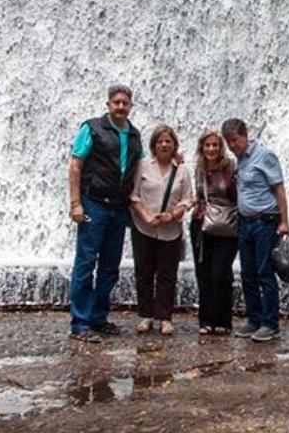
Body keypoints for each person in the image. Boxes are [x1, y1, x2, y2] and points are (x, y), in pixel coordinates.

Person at [68, 84, 142, 343]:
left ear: (131, 106)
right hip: (94, 204)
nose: (121, 106)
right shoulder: (91, 128)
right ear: (108, 105)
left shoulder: (134, 135)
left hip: (119, 208)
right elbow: (76, 164)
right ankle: (80, 323)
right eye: (116, 102)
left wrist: (174, 158)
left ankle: (99, 317)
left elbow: (143, 166)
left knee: (110, 267)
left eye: (125, 103)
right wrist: (76, 204)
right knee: (86, 263)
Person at [222, 118, 289, 343]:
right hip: (245, 223)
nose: (232, 145)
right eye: (229, 142)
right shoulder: (238, 161)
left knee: (264, 273)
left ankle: (270, 324)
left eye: (235, 140)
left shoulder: (265, 156)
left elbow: (279, 189)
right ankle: (254, 319)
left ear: (245, 135)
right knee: (248, 274)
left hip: (265, 223)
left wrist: (284, 222)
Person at [129, 124, 194, 336]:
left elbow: (188, 199)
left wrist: (173, 215)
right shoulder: (143, 165)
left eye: (168, 141)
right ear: (154, 145)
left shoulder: (183, 170)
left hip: (171, 229)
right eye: (160, 141)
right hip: (143, 227)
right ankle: (145, 316)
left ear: (175, 144)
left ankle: (165, 318)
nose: (164, 144)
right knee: (144, 272)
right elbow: (133, 195)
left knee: (167, 275)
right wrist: (146, 217)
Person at [189, 128, 239, 335]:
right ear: (202, 147)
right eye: (207, 145)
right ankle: (206, 321)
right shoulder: (199, 168)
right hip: (201, 224)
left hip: (228, 224)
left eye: (215, 145)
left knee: (221, 273)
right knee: (204, 274)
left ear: (221, 147)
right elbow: (198, 195)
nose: (211, 149)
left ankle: (224, 321)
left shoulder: (232, 166)